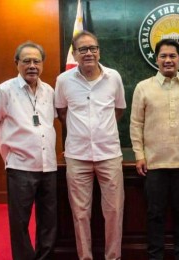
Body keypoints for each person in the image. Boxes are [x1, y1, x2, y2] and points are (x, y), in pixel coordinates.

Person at [130, 38, 179, 260]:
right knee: (155, 214)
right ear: (156, 59)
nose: (168, 60)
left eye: (173, 56)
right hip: (154, 163)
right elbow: (136, 124)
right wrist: (139, 155)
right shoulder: (143, 87)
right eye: (163, 56)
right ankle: (155, 256)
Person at [54, 31, 126, 260]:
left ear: (99, 51)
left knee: (114, 212)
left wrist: (101, 131)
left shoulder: (113, 77)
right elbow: (62, 112)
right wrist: (82, 132)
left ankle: (113, 257)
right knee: (80, 213)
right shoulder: (63, 80)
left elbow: (119, 110)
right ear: (74, 54)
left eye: (92, 48)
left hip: (109, 155)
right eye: (82, 49)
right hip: (77, 156)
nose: (88, 53)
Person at [0, 41, 57, 260]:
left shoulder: (49, 91)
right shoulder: (5, 90)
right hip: (20, 165)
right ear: (17, 63)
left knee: (49, 220)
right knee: (20, 222)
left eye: (37, 61)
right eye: (26, 61)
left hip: (49, 165)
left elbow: (50, 123)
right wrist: (10, 149)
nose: (32, 65)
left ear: (42, 64)